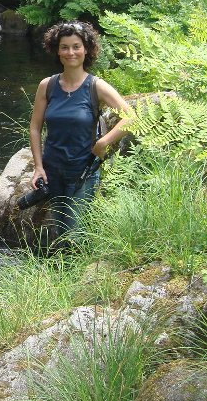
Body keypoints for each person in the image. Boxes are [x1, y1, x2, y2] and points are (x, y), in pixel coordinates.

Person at [28, 20, 130, 247]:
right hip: (52, 170)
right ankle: (61, 268)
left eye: (76, 46)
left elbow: (131, 117)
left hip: (83, 171)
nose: (70, 52)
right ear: (57, 50)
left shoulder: (96, 86)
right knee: (60, 231)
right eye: (64, 47)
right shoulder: (47, 85)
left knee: (74, 235)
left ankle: (79, 266)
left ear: (86, 49)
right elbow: (35, 128)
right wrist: (38, 167)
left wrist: (103, 142)